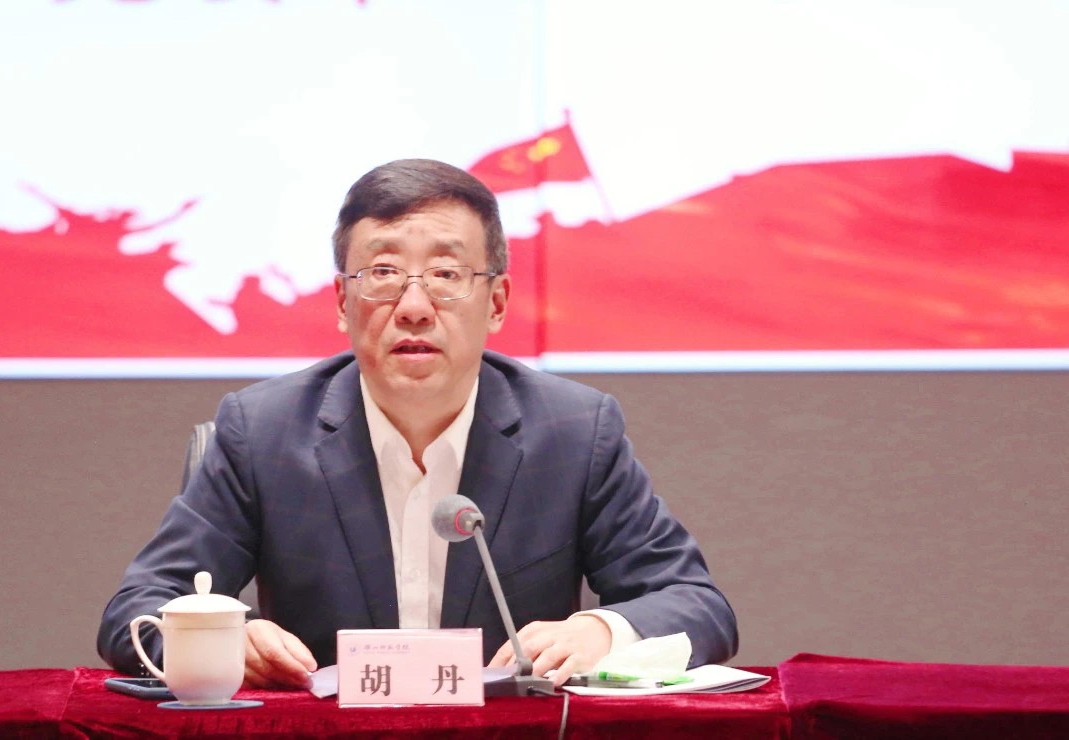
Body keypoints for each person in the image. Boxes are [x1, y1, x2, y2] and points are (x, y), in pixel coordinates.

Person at [97, 159, 737, 688]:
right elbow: (136, 609)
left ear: (497, 302)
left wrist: (603, 630)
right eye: (382, 274)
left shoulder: (572, 432)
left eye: (446, 275)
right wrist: (221, 638)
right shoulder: (263, 432)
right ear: (342, 302)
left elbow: (696, 604)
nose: (413, 307)